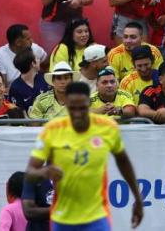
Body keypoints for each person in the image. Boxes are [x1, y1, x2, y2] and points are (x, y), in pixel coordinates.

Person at [25, 80, 145, 229]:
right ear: (66, 105)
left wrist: (138, 200)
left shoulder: (107, 128)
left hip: (97, 217)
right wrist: (44, 172)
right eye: (72, 108)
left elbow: (123, 162)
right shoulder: (52, 130)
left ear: (89, 103)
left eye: (82, 108)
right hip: (62, 219)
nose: (77, 114)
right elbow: (30, 172)